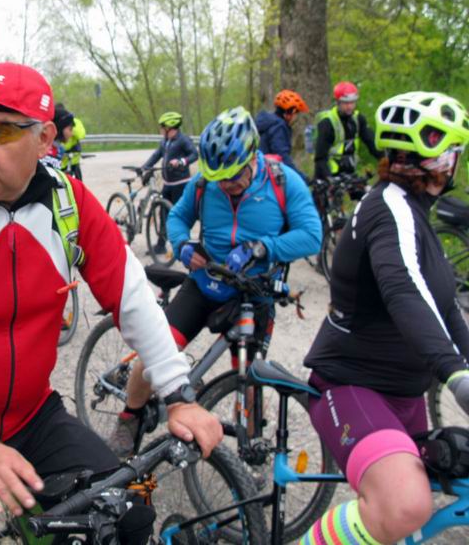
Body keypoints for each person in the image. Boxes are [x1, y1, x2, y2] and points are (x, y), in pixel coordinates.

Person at [0, 62, 223, 544]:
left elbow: (132, 294)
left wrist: (179, 395)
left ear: (44, 140)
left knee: (127, 519)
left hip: (28, 417)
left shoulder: (69, 204)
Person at [301, 92, 469, 545]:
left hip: (404, 394)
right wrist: (455, 374)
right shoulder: (389, 209)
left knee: (409, 523)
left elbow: (446, 309)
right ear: (444, 160)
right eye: (456, 153)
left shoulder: (416, 215)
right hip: (352, 385)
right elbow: (404, 292)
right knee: (404, 505)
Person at [108, 106, 321, 457]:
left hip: (255, 293)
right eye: (219, 176)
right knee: (155, 353)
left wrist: (264, 247)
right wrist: (183, 244)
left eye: (233, 177)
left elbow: (312, 236)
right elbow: (177, 218)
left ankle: (249, 444)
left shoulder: (283, 182)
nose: (226, 184)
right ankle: (129, 418)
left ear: (253, 156)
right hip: (205, 284)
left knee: (250, 375)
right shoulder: (206, 182)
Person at [140, 111, 199, 254]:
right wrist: (144, 167)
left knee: (180, 216)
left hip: (181, 184)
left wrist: (181, 161)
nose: (160, 130)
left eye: (162, 127)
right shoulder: (165, 142)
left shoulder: (183, 140)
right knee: (163, 214)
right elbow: (156, 155)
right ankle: (161, 245)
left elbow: (194, 154)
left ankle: (182, 245)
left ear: (169, 127)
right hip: (168, 184)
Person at [313, 81, 381, 182]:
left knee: (365, 196)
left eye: (352, 102)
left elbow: (372, 143)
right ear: (338, 102)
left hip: (349, 173)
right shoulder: (327, 123)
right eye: (345, 103)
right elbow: (320, 157)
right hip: (328, 174)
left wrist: (386, 160)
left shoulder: (358, 119)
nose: (349, 106)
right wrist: (329, 179)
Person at [256, 89, 310, 181]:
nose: (296, 118)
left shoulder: (267, 122)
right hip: (265, 177)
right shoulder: (279, 127)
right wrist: (302, 178)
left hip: (258, 172)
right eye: (296, 113)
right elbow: (282, 158)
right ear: (291, 112)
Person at [56, 103, 86, 180]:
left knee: (78, 181)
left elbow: (81, 134)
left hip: (73, 160)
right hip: (61, 162)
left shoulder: (74, 121)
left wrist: (70, 127)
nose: (71, 133)